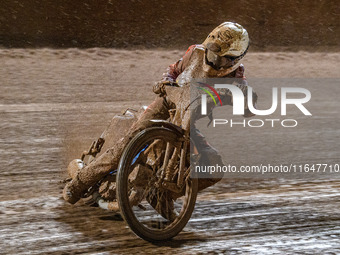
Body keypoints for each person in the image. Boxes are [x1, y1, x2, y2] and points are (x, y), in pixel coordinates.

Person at [63, 21, 256, 205]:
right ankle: (79, 182)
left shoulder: (236, 78)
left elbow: (248, 107)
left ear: (234, 59)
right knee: (125, 146)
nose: (212, 58)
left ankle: (163, 197)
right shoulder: (195, 52)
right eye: (211, 52)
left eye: (219, 57)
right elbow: (173, 70)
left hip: (186, 121)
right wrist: (166, 81)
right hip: (165, 105)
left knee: (214, 168)